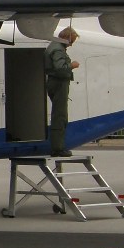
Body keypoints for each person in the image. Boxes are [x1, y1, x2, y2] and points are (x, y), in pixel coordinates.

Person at [44, 26, 79, 156]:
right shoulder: (58, 49)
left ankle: (57, 146)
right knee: (60, 116)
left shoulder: (54, 46)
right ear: (66, 38)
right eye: (71, 41)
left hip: (55, 83)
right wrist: (72, 65)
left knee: (59, 114)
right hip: (59, 83)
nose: (71, 45)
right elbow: (60, 68)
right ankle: (58, 148)